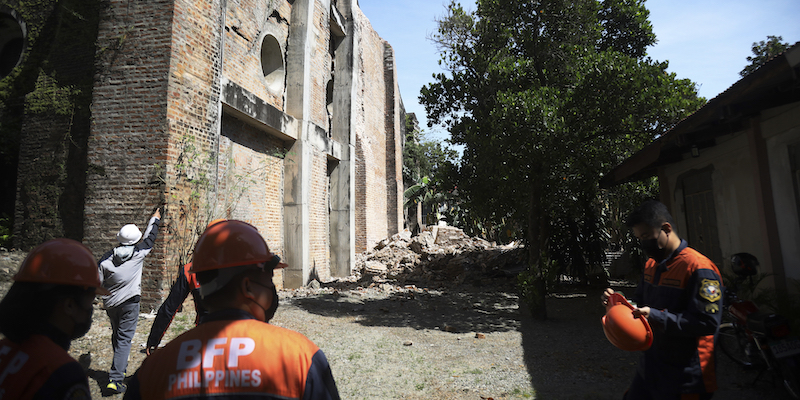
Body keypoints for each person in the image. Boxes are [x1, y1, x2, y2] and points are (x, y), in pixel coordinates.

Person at [124, 220, 340, 400]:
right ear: (247, 286)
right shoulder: (301, 358)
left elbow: (168, 308)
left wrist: (153, 343)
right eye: (269, 278)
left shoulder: (152, 371)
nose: (272, 288)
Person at [602, 200, 723, 400]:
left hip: (686, 376)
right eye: (639, 238)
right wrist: (618, 302)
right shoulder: (651, 265)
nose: (643, 243)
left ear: (666, 229)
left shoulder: (699, 268)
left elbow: (707, 323)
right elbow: (639, 301)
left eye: (646, 236)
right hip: (651, 366)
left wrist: (657, 317)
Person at [0, 238, 109, 399]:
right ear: (69, 305)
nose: (91, 308)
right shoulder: (62, 373)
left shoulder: (4, 350)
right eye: (91, 298)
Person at [98, 207, 162, 394]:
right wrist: (155, 218)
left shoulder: (105, 260)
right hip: (131, 303)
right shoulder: (139, 253)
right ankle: (116, 380)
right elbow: (150, 237)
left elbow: (94, 282)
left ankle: (119, 366)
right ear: (135, 241)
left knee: (118, 336)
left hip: (111, 304)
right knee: (125, 339)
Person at [144, 220, 226, 355]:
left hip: (205, 334)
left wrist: (154, 340)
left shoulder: (190, 270)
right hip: (238, 334)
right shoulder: (241, 267)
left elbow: (169, 308)